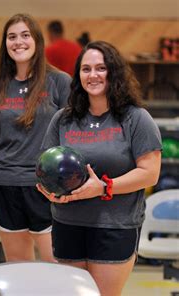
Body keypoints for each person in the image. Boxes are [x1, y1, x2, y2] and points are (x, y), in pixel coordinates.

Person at [37, 40, 162, 296]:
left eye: (100, 68)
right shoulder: (63, 119)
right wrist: (48, 190)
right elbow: (44, 165)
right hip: (67, 224)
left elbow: (150, 173)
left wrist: (104, 187)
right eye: (85, 69)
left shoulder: (135, 118)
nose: (92, 75)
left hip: (114, 226)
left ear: (113, 72)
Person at [0, 13, 72, 263]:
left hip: (46, 189)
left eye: (25, 35)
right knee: (19, 270)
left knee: (59, 269)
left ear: (38, 41)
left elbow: (73, 137)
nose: (18, 42)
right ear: (5, 44)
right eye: (11, 37)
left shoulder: (59, 82)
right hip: (4, 187)